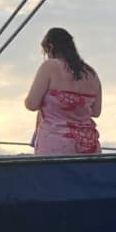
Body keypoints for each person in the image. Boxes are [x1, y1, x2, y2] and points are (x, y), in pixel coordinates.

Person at [25, 27, 101, 155]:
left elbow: (31, 104)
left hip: (57, 143)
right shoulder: (92, 73)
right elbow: (96, 112)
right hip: (89, 145)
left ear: (50, 47)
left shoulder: (50, 66)